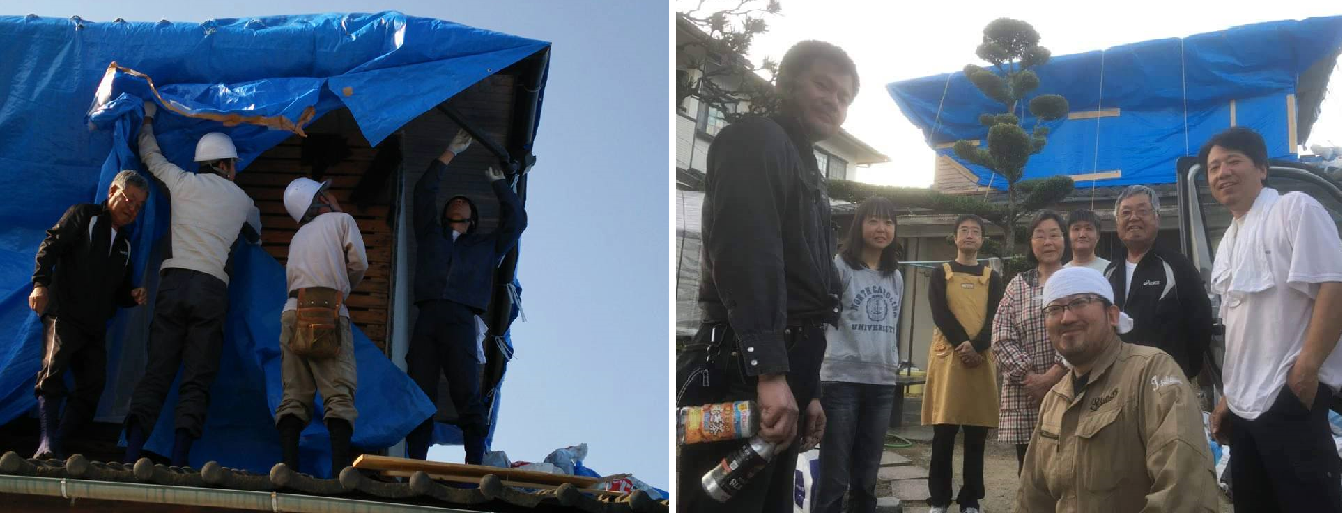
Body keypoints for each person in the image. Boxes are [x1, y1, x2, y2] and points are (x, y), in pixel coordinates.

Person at [675, 39, 857, 512]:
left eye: (844, 96)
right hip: (740, 366)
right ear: (788, 83)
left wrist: (808, 389)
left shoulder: (806, 168)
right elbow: (747, 256)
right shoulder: (754, 139)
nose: (833, 102)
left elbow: (806, 289)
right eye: (823, 85)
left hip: (784, 369)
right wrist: (769, 371)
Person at [1203, 127, 1342, 511]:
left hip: (1288, 397)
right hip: (1244, 410)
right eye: (1214, 167)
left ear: (1262, 169)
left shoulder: (1294, 209)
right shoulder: (1229, 240)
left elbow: (1335, 286)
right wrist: (1227, 398)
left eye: (1233, 161)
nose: (1222, 173)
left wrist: (1305, 371)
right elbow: (1240, 331)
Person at [124, 101, 261, 466]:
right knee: (197, 377)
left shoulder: (181, 182)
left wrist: (150, 117)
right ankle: (181, 460)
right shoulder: (244, 200)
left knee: (157, 372)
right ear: (226, 164)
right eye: (234, 164)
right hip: (212, 289)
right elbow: (256, 236)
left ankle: (131, 454)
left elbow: (149, 154)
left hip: (173, 283)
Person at [1016, 266, 1220, 512]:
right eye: (1054, 309)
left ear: (1112, 315)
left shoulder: (1151, 372)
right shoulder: (1054, 399)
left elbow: (1185, 489)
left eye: (1079, 302)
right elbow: (1033, 497)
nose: (1066, 318)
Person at [404, 129, 527, 465]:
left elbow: (517, 222)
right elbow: (423, 191)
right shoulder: (431, 235)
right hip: (428, 316)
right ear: (446, 214)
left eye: (464, 202)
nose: (457, 200)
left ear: (472, 218)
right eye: (453, 201)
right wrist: (448, 153)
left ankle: (475, 463)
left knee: (466, 393)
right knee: (421, 393)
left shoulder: (486, 247)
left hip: (462, 318)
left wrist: (501, 185)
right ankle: (416, 462)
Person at [29, 170, 150, 459]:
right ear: (112, 192)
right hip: (64, 313)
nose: (132, 208)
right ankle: (45, 442)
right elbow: (51, 245)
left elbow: (119, 291)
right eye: (129, 199)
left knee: (92, 387)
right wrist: (40, 284)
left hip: (95, 326)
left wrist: (132, 296)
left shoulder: (125, 244)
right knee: (52, 373)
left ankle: (57, 443)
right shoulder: (85, 216)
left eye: (139, 205)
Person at [814, 197, 903, 513]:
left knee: (867, 477)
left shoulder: (895, 276)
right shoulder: (839, 267)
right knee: (834, 476)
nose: (882, 229)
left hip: (881, 385)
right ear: (859, 225)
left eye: (889, 222)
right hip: (841, 383)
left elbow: (891, 326)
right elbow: (823, 321)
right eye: (874, 221)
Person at [274, 177, 368, 477]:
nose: (333, 196)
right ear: (322, 200)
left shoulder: (297, 237)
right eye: (328, 192)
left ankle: (288, 467)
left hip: (292, 311)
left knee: (294, 394)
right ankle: (341, 472)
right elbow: (359, 264)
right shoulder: (342, 221)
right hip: (327, 311)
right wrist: (342, 293)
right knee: (338, 392)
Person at [922, 214, 1003, 513]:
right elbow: (939, 313)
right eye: (964, 231)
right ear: (955, 238)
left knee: (976, 432)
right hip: (948, 358)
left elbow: (996, 315)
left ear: (982, 239)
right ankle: (939, 499)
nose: (969, 235)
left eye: (976, 231)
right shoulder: (940, 273)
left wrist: (978, 346)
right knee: (943, 432)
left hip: (981, 359)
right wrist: (962, 345)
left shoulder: (992, 277)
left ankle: (970, 499)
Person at [1105, 185, 1213, 379]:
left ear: (1157, 218)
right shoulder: (1110, 272)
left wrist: (1183, 372)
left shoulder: (1178, 266)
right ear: (1117, 222)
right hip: (1118, 382)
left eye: (1142, 211)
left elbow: (1201, 325)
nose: (1134, 218)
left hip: (1166, 383)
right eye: (1126, 213)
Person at [993, 210, 1069, 471]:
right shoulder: (1017, 285)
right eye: (1040, 235)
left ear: (1064, 240)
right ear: (1031, 243)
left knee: (1067, 466)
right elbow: (1001, 336)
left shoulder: (1076, 281)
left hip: (1068, 389)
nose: (1048, 242)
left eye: (1054, 234)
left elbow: (1089, 333)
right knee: (1029, 471)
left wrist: (1051, 377)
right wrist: (1030, 377)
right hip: (1025, 394)